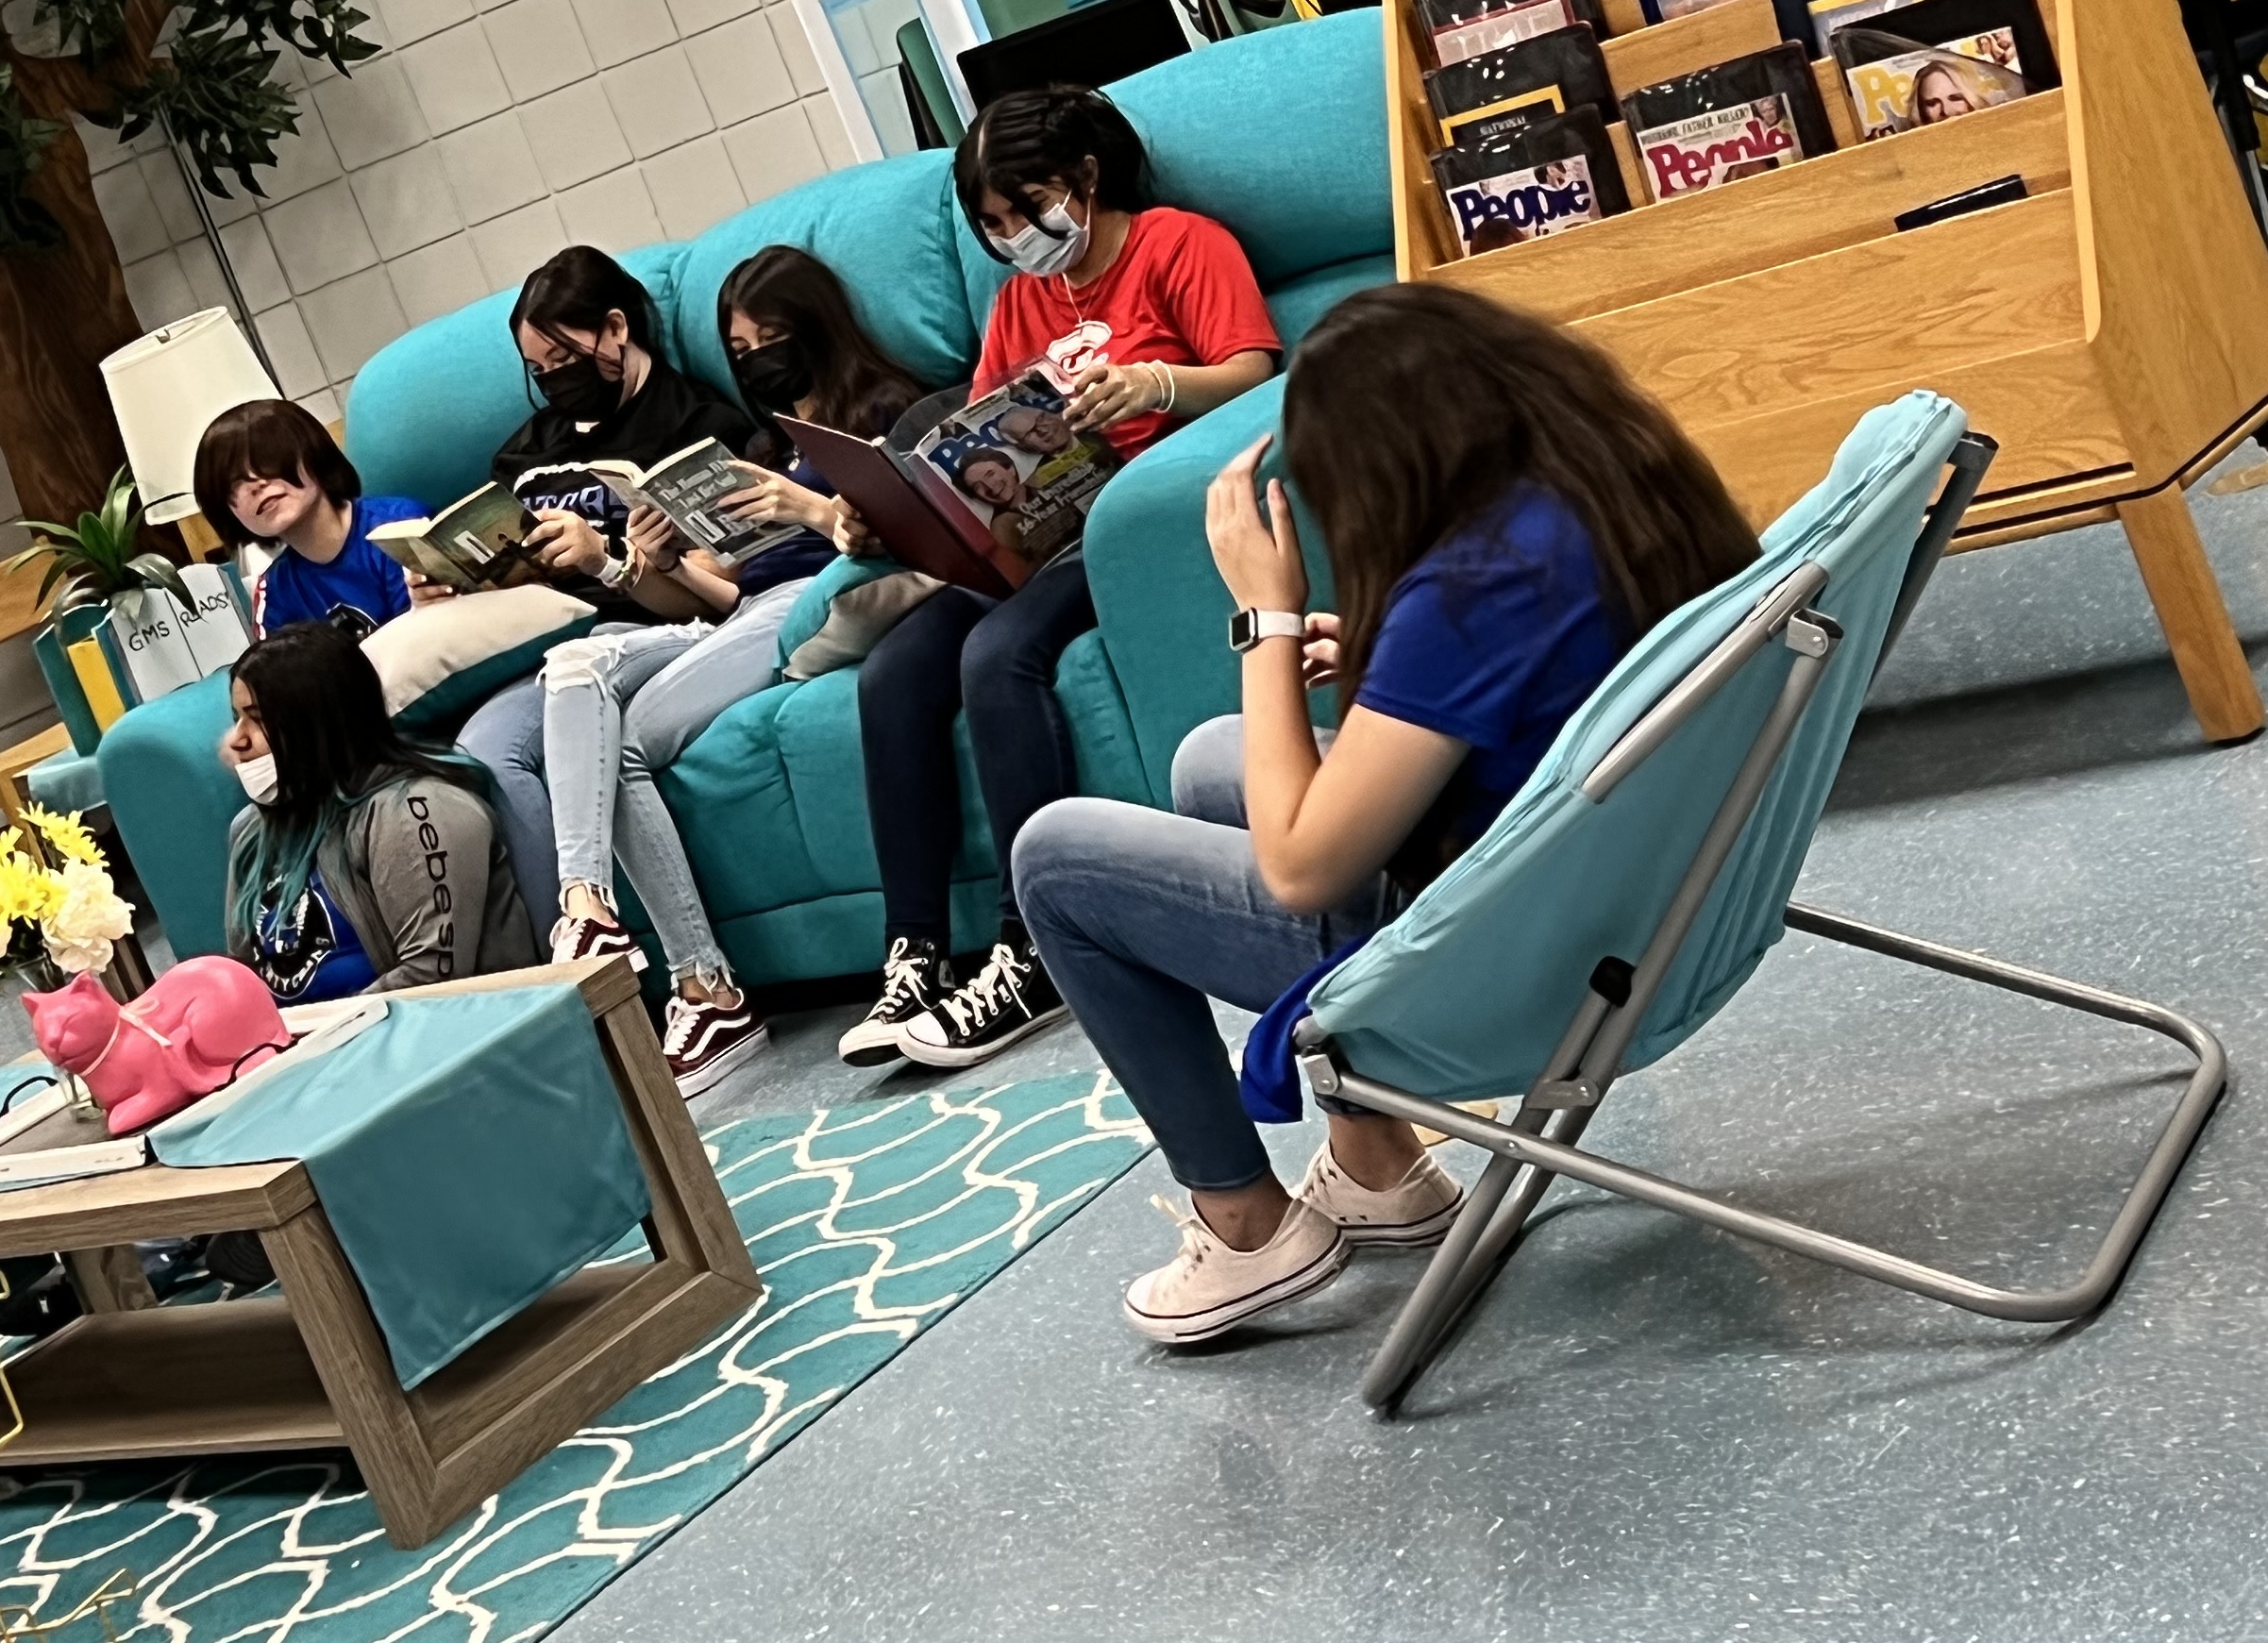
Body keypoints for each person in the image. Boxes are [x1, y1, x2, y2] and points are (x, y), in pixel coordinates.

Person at [1014, 279, 1756, 1348]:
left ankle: (1247, 1228)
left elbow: (1304, 871)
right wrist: (1382, 654)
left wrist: (1263, 621)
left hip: (1529, 970)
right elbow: (1509, 683)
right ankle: (1378, 1165)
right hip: (1645, 888)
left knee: (1056, 860)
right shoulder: (1591, 494)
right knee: (1212, 759)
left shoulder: (1471, 588)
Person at [846, 83, 1282, 1070]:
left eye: (1025, 210)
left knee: (999, 655)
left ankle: (1027, 947)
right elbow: (985, 430)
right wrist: (890, 511)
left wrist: (1155, 384)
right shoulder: (1019, 300)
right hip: (1032, 528)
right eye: (992, 225)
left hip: (1123, 520)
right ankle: (913, 951)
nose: (1013, 239)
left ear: (1083, 179)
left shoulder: (1178, 245)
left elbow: (1255, 368)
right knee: (893, 674)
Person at [535, 244, 924, 1096]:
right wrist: (641, 562)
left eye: (769, 339)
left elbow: (917, 532)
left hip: (806, 603)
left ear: (816, 328)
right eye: (739, 350)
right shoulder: (765, 440)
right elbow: (712, 598)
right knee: (571, 669)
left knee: (626, 739)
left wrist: (811, 507)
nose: (754, 361)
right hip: (739, 611)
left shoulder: (888, 410)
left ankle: (707, 987)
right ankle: (588, 907)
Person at [449, 248, 764, 910]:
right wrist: (459, 580)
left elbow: (720, 583)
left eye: (563, 361)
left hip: (646, 629)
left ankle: (590, 924)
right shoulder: (525, 453)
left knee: (562, 709)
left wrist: (604, 553)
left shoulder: (699, 427)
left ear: (616, 329)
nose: (554, 382)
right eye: (539, 371)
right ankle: (578, 958)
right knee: (483, 752)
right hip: (542, 638)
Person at [221, 624, 541, 999]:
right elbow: (243, 975)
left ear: (321, 722)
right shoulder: (252, 830)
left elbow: (434, 979)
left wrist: (319, 1043)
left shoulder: (416, 812)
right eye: (236, 717)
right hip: (300, 1046)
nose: (237, 740)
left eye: (258, 718)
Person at [195, 396, 414, 635]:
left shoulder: (399, 527)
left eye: (267, 461)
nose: (255, 484)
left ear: (313, 454)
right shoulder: (274, 592)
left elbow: (421, 639)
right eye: (233, 483)